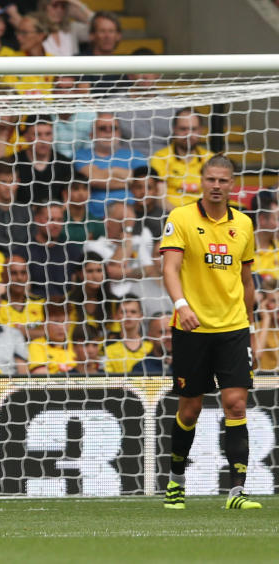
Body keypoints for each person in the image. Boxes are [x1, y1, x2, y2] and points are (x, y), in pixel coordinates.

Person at [158, 154, 260, 510]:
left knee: (235, 403)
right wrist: (181, 305)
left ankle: (237, 492)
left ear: (233, 185)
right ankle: (175, 481)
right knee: (190, 410)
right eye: (211, 180)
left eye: (223, 181)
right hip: (192, 328)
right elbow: (170, 268)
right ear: (201, 181)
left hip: (233, 328)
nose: (216, 186)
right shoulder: (180, 217)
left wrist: (250, 325)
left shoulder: (244, 224)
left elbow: (246, 279)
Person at [149, 109, 213, 209]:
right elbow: (160, 199)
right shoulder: (161, 157)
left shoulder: (210, 158)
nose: (188, 134)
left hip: (206, 214)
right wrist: (182, 218)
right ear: (175, 130)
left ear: (200, 130)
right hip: (171, 214)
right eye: (183, 129)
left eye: (193, 129)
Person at [104, 297, 154, 374]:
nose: (128, 315)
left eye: (133, 312)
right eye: (123, 312)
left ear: (141, 316)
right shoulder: (107, 347)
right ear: (116, 316)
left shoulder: (151, 345)